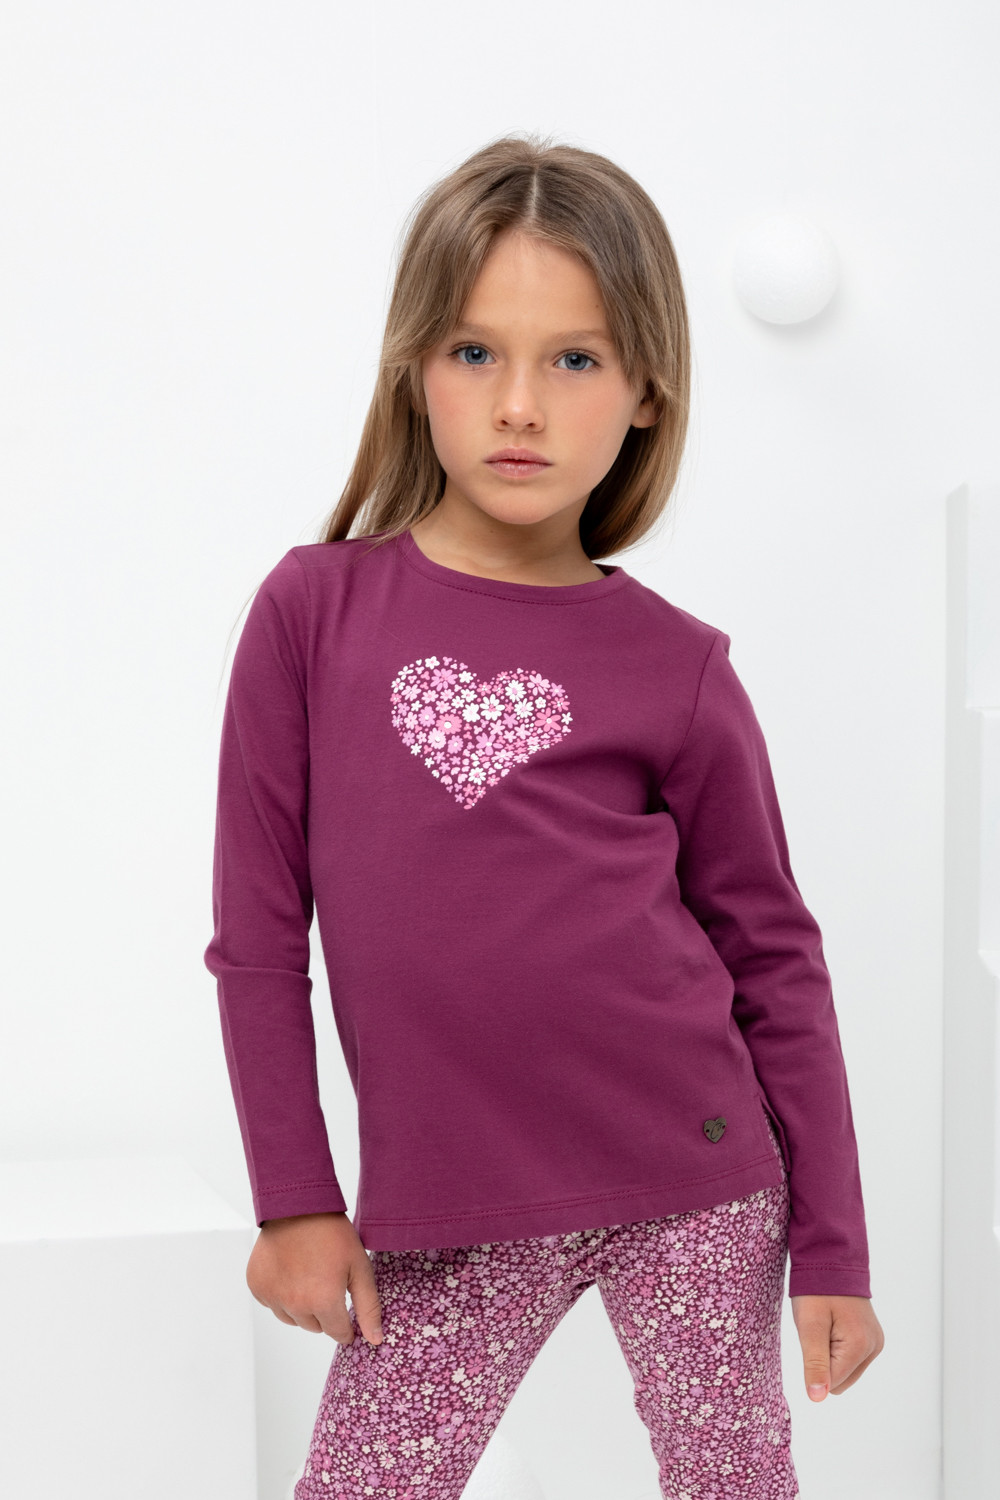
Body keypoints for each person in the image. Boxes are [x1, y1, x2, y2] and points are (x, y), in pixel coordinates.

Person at [204, 132, 884, 1500]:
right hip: (447, 1206)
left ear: (644, 391)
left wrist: (835, 1246)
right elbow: (259, 941)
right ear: (414, 365)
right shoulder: (312, 616)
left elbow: (774, 958)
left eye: (574, 359)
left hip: (695, 1178)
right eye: (475, 352)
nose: (520, 405)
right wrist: (296, 1199)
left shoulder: (680, 667)